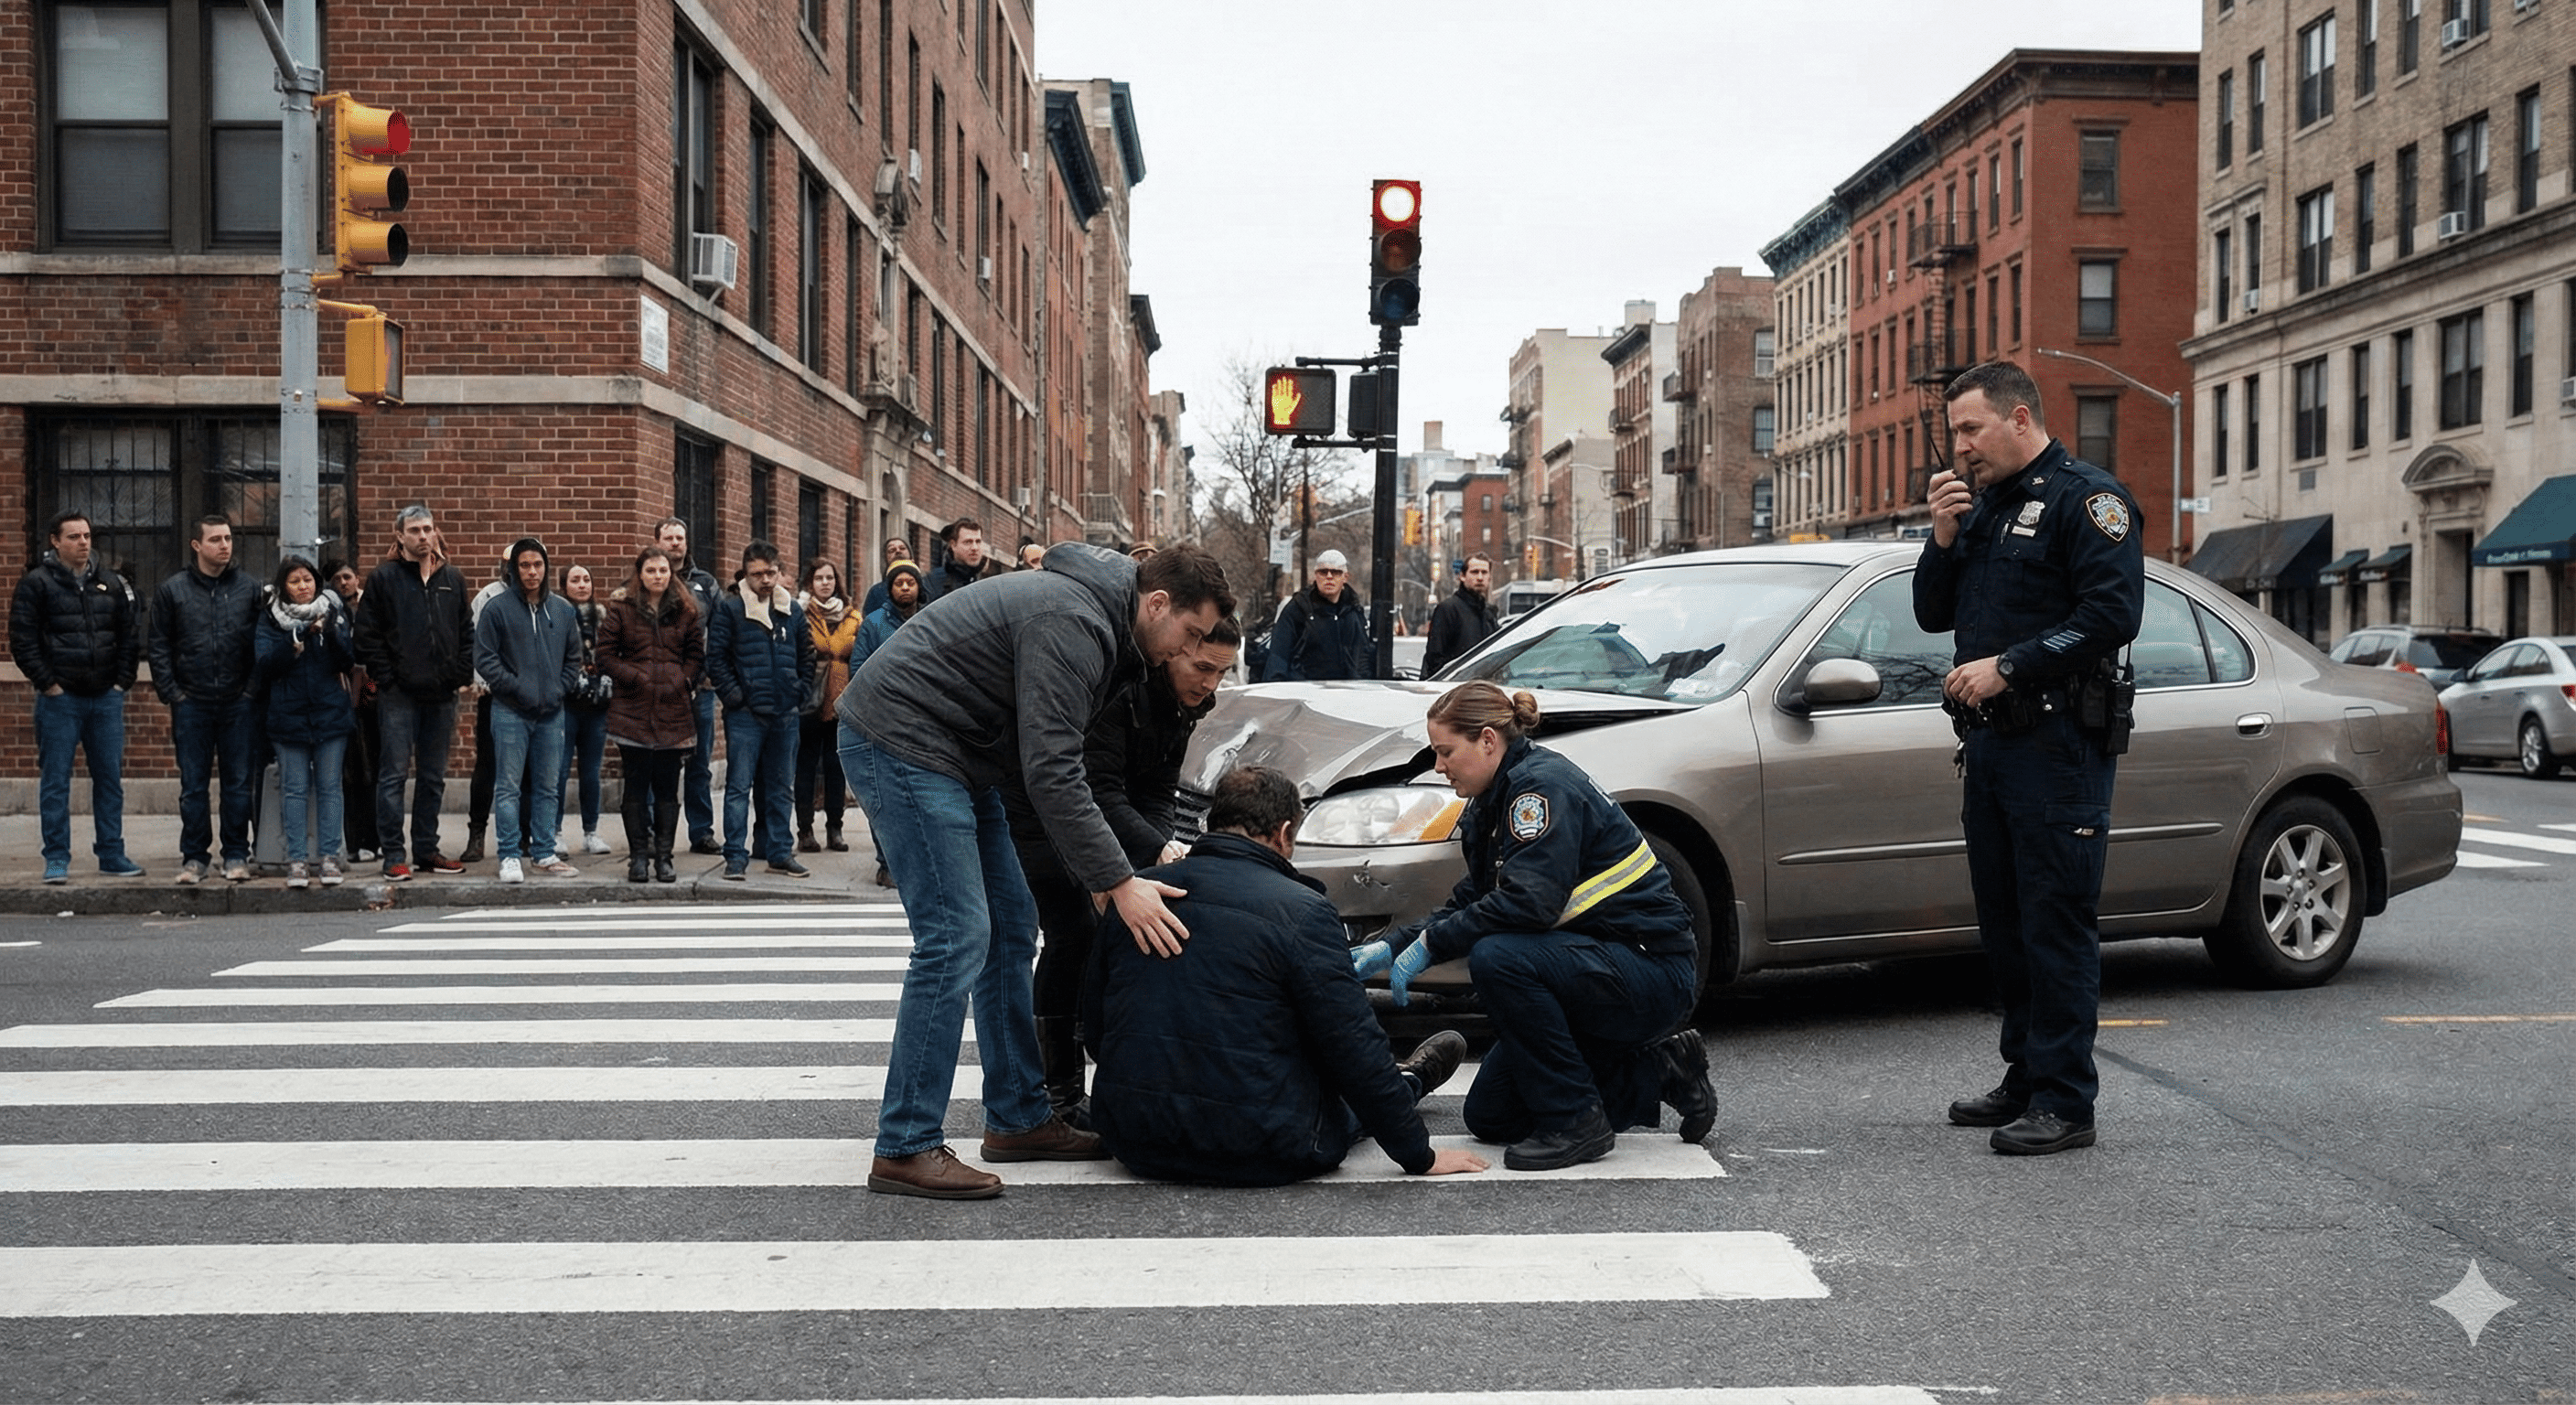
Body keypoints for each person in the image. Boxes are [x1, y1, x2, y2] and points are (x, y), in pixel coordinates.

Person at [836, 541, 1234, 1199]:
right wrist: (1115, 881)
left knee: (1012, 927)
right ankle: (905, 1143)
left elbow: (1050, 761)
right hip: (904, 739)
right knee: (956, 936)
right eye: (1189, 633)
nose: (1185, 650)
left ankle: (1018, 1118)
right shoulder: (1074, 620)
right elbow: (1055, 768)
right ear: (1157, 603)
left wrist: (1105, 873)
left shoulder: (1102, 619)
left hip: (969, 753)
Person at [1914, 359, 2144, 1157]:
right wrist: (1941, 538)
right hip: (1993, 749)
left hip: (2059, 749)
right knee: (2005, 927)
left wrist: (2009, 664)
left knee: (2056, 926)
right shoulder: (1983, 510)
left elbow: (2113, 614)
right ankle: (2025, 1076)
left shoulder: (2090, 501)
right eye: (1954, 434)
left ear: (2019, 419)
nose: (1960, 448)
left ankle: (2066, 1101)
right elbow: (1929, 612)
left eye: (1971, 429)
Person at [1349, 681, 1717, 1172]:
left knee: (1500, 958)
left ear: (1486, 740)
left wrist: (1432, 944)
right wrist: (1397, 945)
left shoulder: (1539, 791)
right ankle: (1661, 1072)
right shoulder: (1496, 796)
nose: (1438, 766)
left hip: (1649, 971)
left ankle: (1578, 1124)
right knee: (1491, 1115)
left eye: (1444, 752)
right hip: (1594, 967)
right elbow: (1475, 898)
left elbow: (1529, 904)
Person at [1084, 764, 1488, 1185]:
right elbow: (1354, 1048)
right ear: (1285, 833)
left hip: (1136, 1138)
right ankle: (1411, 1081)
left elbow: (1096, 1029)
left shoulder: (1139, 896)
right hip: (1258, 1144)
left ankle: (1406, 1080)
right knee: (1340, 1091)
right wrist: (1417, 1155)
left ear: (1212, 821)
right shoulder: (1303, 911)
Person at [1013, 615, 1242, 1127]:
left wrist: (1156, 852)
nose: (1209, 683)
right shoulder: (1126, 688)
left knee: (1099, 937)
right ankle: (1058, 1095)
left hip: (1100, 820)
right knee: (1071, 934)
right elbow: (1098, 788)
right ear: (1177, 647)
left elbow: (1158, 789)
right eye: (1203, 667)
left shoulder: (1187, 703)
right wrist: (1151, 850)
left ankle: (1085, 1080)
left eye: (1222, 674)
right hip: (1047, 814)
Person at [12, 509, 145, 884]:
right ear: (55, 541)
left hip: (105, 698)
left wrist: (121, 682)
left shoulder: (110, 584)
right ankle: (56, 858)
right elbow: (23, 641)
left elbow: (128, 637)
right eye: (74, 537)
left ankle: (112, 853)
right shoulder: (36, 584)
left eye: (87, 536)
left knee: (109, 780)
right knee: (55, 782)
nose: (83, 542)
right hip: (60, 700)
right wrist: (48, 684)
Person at [355, 505, 476, 881]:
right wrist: (388, 678)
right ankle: (393, 854)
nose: (424, 536)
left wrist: (458, 674)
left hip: (441, 695)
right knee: (392, 774)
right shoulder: (384, 579)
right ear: (400, 536)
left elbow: (465, 631)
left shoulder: (451, 579)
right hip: (398, 696)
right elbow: (366, 637)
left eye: (428, 529)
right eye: (415, 530)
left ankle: (427, 849)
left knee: (433, 776)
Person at [148, 514, 263, 885]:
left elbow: (261, 644)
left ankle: (235, 855)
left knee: (238, 784)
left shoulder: (249, 589)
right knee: (193, 785)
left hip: (238, 702)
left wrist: (250, 691)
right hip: (192, 702)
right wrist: (174, 694)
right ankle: (195, 858)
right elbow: (159, 646)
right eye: (215, 539)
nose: (225, 545)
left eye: (228, 538)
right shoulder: (173, 590)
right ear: (197, 545)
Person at [472, 536, 583, 884]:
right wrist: (515, 687)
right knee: (508, 787)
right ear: (513, 569)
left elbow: (574, 658)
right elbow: (486, 659)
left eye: (537, 565)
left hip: (551, 712)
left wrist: (558, 689)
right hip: (509, 711)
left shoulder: (563, 611)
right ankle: (509, 855)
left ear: (546, 568)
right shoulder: (497, 608)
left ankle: (544, 852)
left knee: (548, 786)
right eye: (524, 565)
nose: (532, 572)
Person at [707, 540, 816, 881]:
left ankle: (779, 852)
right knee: (739, 787)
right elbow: (717, 659)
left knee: (782, 786)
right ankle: (735, 857)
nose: (766, 580)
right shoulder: (730, 608)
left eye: (771, 573)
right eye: (758, 574)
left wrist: (798, 691)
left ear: (779, 571)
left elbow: (807, 654)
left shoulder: (792, 610)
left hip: (784, 711)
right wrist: (736, 697)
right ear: (746, 574)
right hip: (746, 714)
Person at [598, 546, 703, 884]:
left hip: (673, 710)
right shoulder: (622, 609)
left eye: (663, 571)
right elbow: (605, 655)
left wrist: (682, 679)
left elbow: (696, 656)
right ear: (639, 574)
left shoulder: (686, 611)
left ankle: (665, 858)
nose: (658, 576)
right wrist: (634, 677)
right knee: (635, 789)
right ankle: (639, 858)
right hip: (633, 710)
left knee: (667, 791)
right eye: (651, 571)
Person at [253, 555, 355, 888]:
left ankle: (329, 858)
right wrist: (295, 638)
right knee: (294, 790)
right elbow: (265, 664)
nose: (302, 586)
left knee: (329, 788)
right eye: (295, 581)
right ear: (284, 586)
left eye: (308, 580)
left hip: (330, 714)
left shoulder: (333, 610)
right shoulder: (271, 617)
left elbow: (348, 660)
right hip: (289, 716)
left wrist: (332, 632)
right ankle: (296, 860)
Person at [850, 558, 925, 889]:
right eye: (899, 583)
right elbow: (859, 671)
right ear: (889, 588)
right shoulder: (874, 623)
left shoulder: (930, 618)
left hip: (922, 723)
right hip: (884, 722)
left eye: (911, 582)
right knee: (887, 799)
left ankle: (917, 864)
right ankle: (887, 864)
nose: (905, 587)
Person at [654, 517, 725, 855]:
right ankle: (656, 832)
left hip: (701, 690)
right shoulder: (647, 581)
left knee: (699, 764)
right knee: (659, 760)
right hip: (661, 691)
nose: (675, 543)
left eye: (680, 537)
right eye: (668, 538)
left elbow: (721, 632)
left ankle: (701, 832)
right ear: (657, 542)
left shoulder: (706, 584)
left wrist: (710, 674)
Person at [796, 560, 859, 854]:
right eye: (819, 578)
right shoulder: (800, 613)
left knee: (836, 767)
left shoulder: (852, 616)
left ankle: (835, 828)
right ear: (810, 582)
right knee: (806, 766)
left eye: (830, 577)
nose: (825, 583)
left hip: (841, 701)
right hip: (809, 700)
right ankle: (805, 830)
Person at [323, 558, 381, 863]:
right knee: (351, 773)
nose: (343, 582)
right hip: (346, 694)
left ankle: (375, 838)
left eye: (346, 576)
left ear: (357, 578)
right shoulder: (332, 612)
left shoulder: (369, 608)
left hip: (370, 690)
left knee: (375, 768)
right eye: (336, 579)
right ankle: (356, 841)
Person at [559, 563, 613, 856]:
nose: (582, 585)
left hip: (597, 706)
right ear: (564, 585)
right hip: (566, 706)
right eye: (575, 580)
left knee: (591, 773)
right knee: (558, 772)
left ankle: (591, 833)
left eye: (586, 579)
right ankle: (554, 833)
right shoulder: (555, 615)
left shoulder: (604, 618)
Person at [1262, 549, 1371, 681]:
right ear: (1315, 575)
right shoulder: (1298, 608)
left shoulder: (1353, 612)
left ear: (1345, 577)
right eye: (1323, 572)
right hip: (1305, 693)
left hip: (1346, 694)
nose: (1329, 577)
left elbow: (1362, 657)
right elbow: (1279, 654)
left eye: (1336, 572)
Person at [1422, 553, 1500, 676]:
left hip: (1483, 688)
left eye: (1484, 572)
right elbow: (1435, 657)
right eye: (1474, 572)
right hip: (1455, 689)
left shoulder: (1489, 613)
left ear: (1489, 577)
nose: (1480, 577)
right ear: (1462, 576)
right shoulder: (1447, 609)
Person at [923, 516, 1003, 600]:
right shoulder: (932, 582)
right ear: (953, 545)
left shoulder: (988, 584)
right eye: (968, 542)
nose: (974, 548)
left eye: (978, 542)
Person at [859, 535, 914, 616]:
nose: (898, 551)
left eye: (902, 548)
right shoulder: (876, 592)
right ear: (885, 559)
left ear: (912, 558)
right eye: (892, 550)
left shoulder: (925, 587)